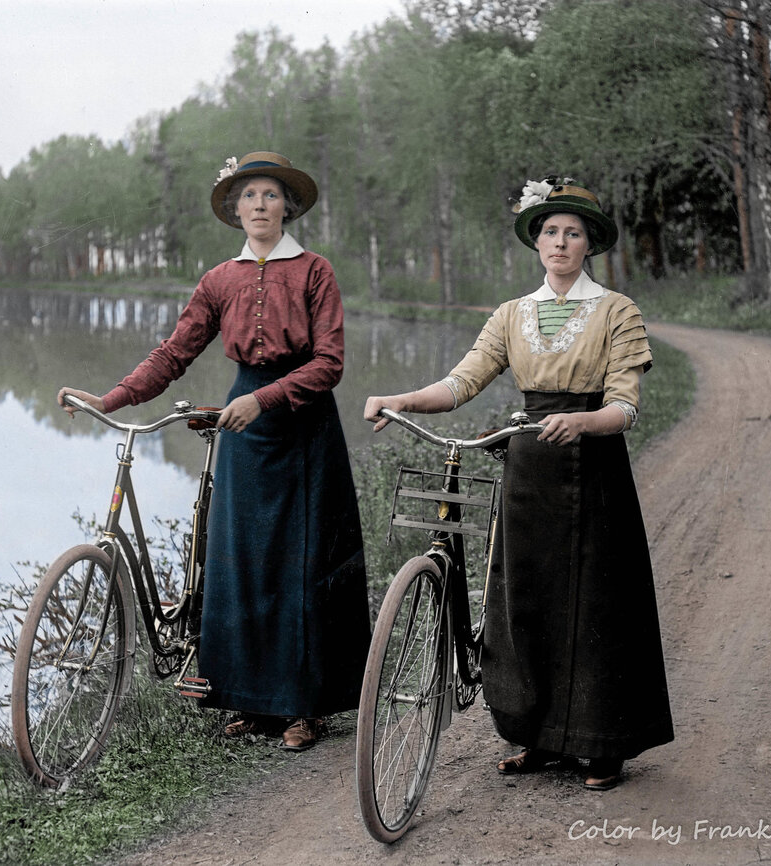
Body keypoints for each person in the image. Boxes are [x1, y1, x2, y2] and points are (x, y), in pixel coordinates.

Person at [363, 177, 673, 790]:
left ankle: (598, 746)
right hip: (527, 466)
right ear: (536, 242)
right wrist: (401, 398)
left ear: (590, 244)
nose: (560, 242)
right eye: (550, 231)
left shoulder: (617, 312)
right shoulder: (511, 315)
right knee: (523, 598)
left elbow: (625, 408)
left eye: (573, 232)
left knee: (593, 604)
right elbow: (461, 384)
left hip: (595, 468)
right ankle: (534, 737)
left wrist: (583, 421)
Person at [58, 151, 370, 751]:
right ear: (234, 210)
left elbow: (329, 364)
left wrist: (266, 400)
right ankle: (250, 701)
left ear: (288, 206)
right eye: (248, 196)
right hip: (244, 429)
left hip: (302, 427)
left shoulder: (314, 271)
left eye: (271, 195)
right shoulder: (219, 280)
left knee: (299, 564)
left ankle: (303, 706)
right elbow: (173, 355)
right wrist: (112, 397)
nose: (259, 205)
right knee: (239, 561)